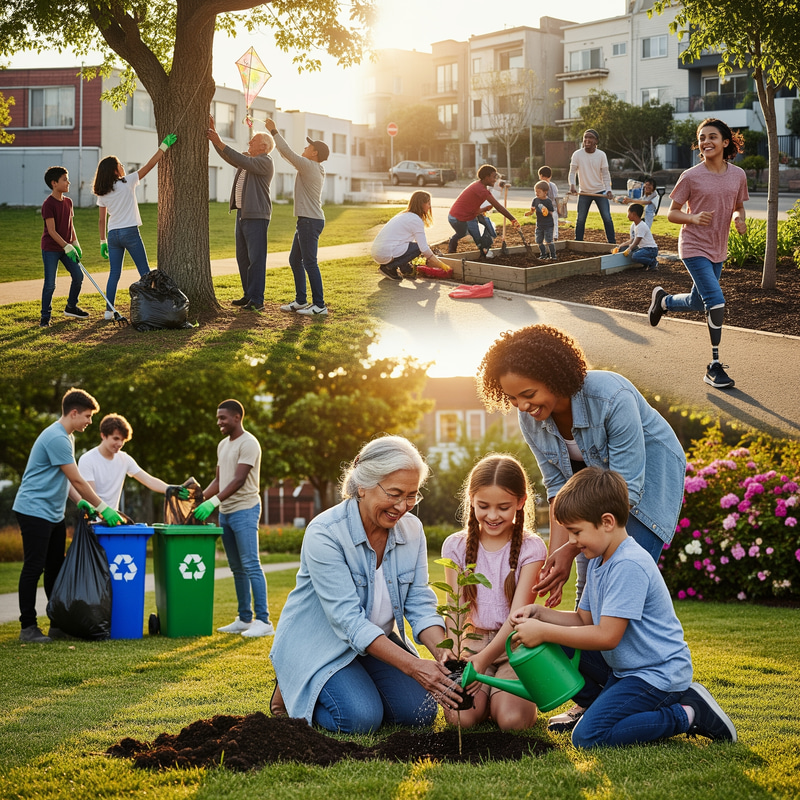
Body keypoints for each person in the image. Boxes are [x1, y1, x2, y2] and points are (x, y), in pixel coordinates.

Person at [476, 324, 686, 732]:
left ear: (555, 378)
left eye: (529, 394)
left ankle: (654, 687)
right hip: (589, 499)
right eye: (513, 398)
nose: (522, 405)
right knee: (587, 596)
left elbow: (627, 489)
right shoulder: (531, 420)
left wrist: (575, 549)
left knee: (618, 580)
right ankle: (599, 699)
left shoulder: (611, 395)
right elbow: (558, 490)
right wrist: (561, 554)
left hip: (644, 485)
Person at [511, 468, 737, 748]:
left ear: (607, 522)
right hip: (625, 669)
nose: (572, 542)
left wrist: (544, 631)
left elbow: (607, 636)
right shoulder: (597, 559)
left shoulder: (628, 564)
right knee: (559, 644)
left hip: (657, 674)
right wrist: (541, 615)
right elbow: (583, 620)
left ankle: (689, 713)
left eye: (576, 532)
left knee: (587, 737)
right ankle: (599, 708)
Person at [270, 435, 460, 733]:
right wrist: (413, 667)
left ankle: (355, 685)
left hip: (372, 646)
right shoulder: (325, 533)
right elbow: (349, 623)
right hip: (321, 645)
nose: (403, 506)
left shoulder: (412, 530)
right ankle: (293, 684)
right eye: (395, 493)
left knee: (419, 714)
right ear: (362, 485)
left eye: (412, 495)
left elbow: (420, 603)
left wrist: (443, 654)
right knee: (358, 719)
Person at [440, 454, 546, 731]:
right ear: (471, 499)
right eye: (483, 506)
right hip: (472, 646)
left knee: (512, 722)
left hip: (515, 648)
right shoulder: (455, 546)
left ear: (521, 502)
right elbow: (455, 608)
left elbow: (517, 617)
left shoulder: (531, 548)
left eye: (503, 507)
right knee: (461, 720)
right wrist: (457, 652)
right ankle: (487, 699)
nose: (493, 515)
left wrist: (484, 661)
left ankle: (500, 699)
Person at [12, 388, 123, 643]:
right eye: (87, 416)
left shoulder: (68, 437)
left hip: (52, 512)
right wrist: (102, 507)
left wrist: (80, 501)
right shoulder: (57, 438)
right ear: (73, 413)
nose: (90, 422)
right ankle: (27, 627)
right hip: (33, 510)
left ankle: (58, 623)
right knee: (34, 567)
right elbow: (77, 478)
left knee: (55, 569)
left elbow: (66, 480)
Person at [648, 118, 748, 390]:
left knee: (697, 301)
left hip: (718, 248)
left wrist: (739, 218)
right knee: (716, 301)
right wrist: (693, 219)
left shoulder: (738, 175)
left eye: (712, 137)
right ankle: (714, 366)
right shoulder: (690, 176)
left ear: (725, 142)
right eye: (702, 138)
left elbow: (738, 205)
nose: (706, 142)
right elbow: (671, 213)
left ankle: (664, 301)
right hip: (693, 247)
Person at [194, 400, 273, 638]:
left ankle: (264, 621)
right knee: (237, 568)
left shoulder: (249, 443)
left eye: (223, 418)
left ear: (237, 417)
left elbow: (238, 479)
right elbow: (220, 480)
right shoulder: (222, 445)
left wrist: (213, 502)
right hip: (226, 512)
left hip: (245, 509)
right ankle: (245, 619)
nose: (219, 422)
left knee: (251, 564)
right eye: (218, 418)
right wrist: (198, 499)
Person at [93, 134, 177, 320]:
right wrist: (163, 147)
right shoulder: (127, 182)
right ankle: (153, 307)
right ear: (115, 171)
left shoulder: (103, 192)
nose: (123, 166)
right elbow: (148, 166)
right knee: (145, 272)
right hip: (130, 232)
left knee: (114, 274)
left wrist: (102, 242)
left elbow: (101, 220)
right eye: (120, 164)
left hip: (113, 234)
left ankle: (108, 311)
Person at [208, 117, 274, 312]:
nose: (249, 143)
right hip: (243, 216)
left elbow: (240, 158)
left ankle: (257, 300)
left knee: (256, 259)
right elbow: (231, 158)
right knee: (243, 258)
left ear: (263, 146)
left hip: (257, 217)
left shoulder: (264, 161)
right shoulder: (249, 161)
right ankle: (248, 295)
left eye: (252, 141)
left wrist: (220, 141)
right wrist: (214, 142)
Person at [264, 118, 329, 316]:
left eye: (308, 146)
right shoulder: (312, 166)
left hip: (309, 221)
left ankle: (320, 306)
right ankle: (301, 301)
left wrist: (274, 131)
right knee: (295, 260)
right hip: (307, 220)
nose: (305, 147)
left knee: (309, 262)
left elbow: (288, 154)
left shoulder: (310, 166)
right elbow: (288, 156)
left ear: (314, 153)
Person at [77, 413, 188, 512]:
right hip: (92, 522)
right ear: (103, 435)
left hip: (113, 521)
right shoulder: (87, 459)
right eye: (116, 438)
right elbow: (90, 495)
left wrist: (171, 489)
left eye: (123, 440)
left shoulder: (124, 459)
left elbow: (148, 480)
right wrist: (104, 512)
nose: (120, 443)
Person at [39, 165, 86, 327]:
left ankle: (71, 307)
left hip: (67, 247)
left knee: (78, 277)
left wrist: (75, 243)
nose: (68, 182)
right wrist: (67, 246)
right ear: (54, 183)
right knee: (50, 284)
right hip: (51, 249)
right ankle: (45, 316)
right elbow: (51, 231)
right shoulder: (48, 204)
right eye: (64, 180)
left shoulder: (68, 202)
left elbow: (70, 225)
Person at [371, 190, 451, 280]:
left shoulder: (404, 214)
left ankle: (406, 270)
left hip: (378, 252)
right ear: (422, 204)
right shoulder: (415, 220)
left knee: (411, 246)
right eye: (428, 203)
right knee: (417, 248)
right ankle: (389, 268)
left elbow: (408, 245)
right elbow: (423, 248)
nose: (429, 207)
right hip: (385, 253)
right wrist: (440, 264)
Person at [447, 164, 520, 258]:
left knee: (473, 231)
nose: (495, 180)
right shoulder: (480, 189)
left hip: (465, 215)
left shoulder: (480, 185)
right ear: (486, 177)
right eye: (494, 177)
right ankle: (483, 252)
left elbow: (472, 206)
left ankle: (482, 250)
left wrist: (484, 209)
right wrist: (513, 219)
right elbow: (498, 207)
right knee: (475, 237)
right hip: (457, 218)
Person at [568, 129, 616, 244]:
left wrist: (608, 190)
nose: (587, 140)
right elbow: (572, 172)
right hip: (584, 192)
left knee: (607, 218)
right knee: (580, 219)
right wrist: (572, 185)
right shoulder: (577, 154)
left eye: (590, 137)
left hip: (600, 192)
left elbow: (605, 174)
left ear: (596, 141)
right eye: (585, 137)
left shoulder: (601, 155)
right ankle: (578, 242)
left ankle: (612, 242)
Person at [613, 203, 659, 270]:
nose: (627, 216)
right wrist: (621, 246)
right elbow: (632, 240)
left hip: (651, 249)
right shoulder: (633, 225)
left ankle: (653, 262)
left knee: (635, 256)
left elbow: (636, 242)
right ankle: (647, 263)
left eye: (628, 213)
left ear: (634, 214)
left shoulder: (641, 226)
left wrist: (629, 249)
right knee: (624, 250)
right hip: (643, 249)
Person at [475, 174, 508, 255]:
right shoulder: (488, 186)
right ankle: (484, 248)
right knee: (490, 229)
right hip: (480, 211)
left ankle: (485, 248)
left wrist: (505, 186)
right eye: (495, 178)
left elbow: (502, 184)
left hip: (484, 209)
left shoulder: (495, 185)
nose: (495, 180)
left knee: (489, 229)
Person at [524, 181, 556, 259]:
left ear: (545, 192)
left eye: (539, 192)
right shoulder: (535, 200)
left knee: (548, 240)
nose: (536, 193)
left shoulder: (548, 201)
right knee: (538, 240)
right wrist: (530, 212)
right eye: (535, 191)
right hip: (539, 224)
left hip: (548, 224)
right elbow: (533, 210)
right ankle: (543, 255)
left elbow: (551, 212)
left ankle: (553, 255)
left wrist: (546, 212)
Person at [538, 166, 560, 239]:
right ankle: (555, 236)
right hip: (553, 208)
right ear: (550, 176)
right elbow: (556, 198)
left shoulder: (539, 186)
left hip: (544, 209)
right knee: (554, 223)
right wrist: (558, 208)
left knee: (542, 224)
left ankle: (544, 237)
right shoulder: (553, 185)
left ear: (540, 176)